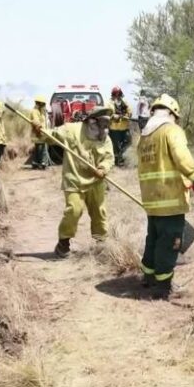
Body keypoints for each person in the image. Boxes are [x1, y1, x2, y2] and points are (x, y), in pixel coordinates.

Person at [137, 94, 194, 300]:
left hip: (151, 199)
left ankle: (148, 277)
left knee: (153, 238)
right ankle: (163, 286)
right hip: (170, 198)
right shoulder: (171, 130)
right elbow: (181, 157)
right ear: (172, 113)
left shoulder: (145, 135)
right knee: (171, 241)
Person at [34, 106, 114, 258]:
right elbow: (51, 136)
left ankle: (101, 244)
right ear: (92, 121)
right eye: (102, 124)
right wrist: (39, 131)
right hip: (74, 180)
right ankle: (63, 243)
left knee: (99, 213)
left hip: (96, 182)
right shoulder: (71, 130)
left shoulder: (105, 138)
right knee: (74, 210)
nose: (104, 128)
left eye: (106, 125)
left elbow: (109, 158)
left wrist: (103, 169)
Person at [109, 86, 132, 167]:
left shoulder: (124, 102)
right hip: (114, 128)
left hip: (124, 127)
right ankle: (118, 161)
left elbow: (130, 111)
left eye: (119, 94)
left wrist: (127, 115)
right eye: (116, 94)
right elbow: (107, 113)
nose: (118, 96)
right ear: (113, 95)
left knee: (129, 142)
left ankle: (120, 156)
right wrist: (113, 116)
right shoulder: (109, 103)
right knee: (116, 146)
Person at [29, 95, 50, 169]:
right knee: (41, 149)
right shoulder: (35, 111)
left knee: (39, 148)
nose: (44, 105)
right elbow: (36, 122)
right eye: (43, 104)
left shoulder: (40, 111)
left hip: (42, 133)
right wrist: (40, 132)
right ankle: (42, 163)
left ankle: (36, 163)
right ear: (39, 103)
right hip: (38, 134)